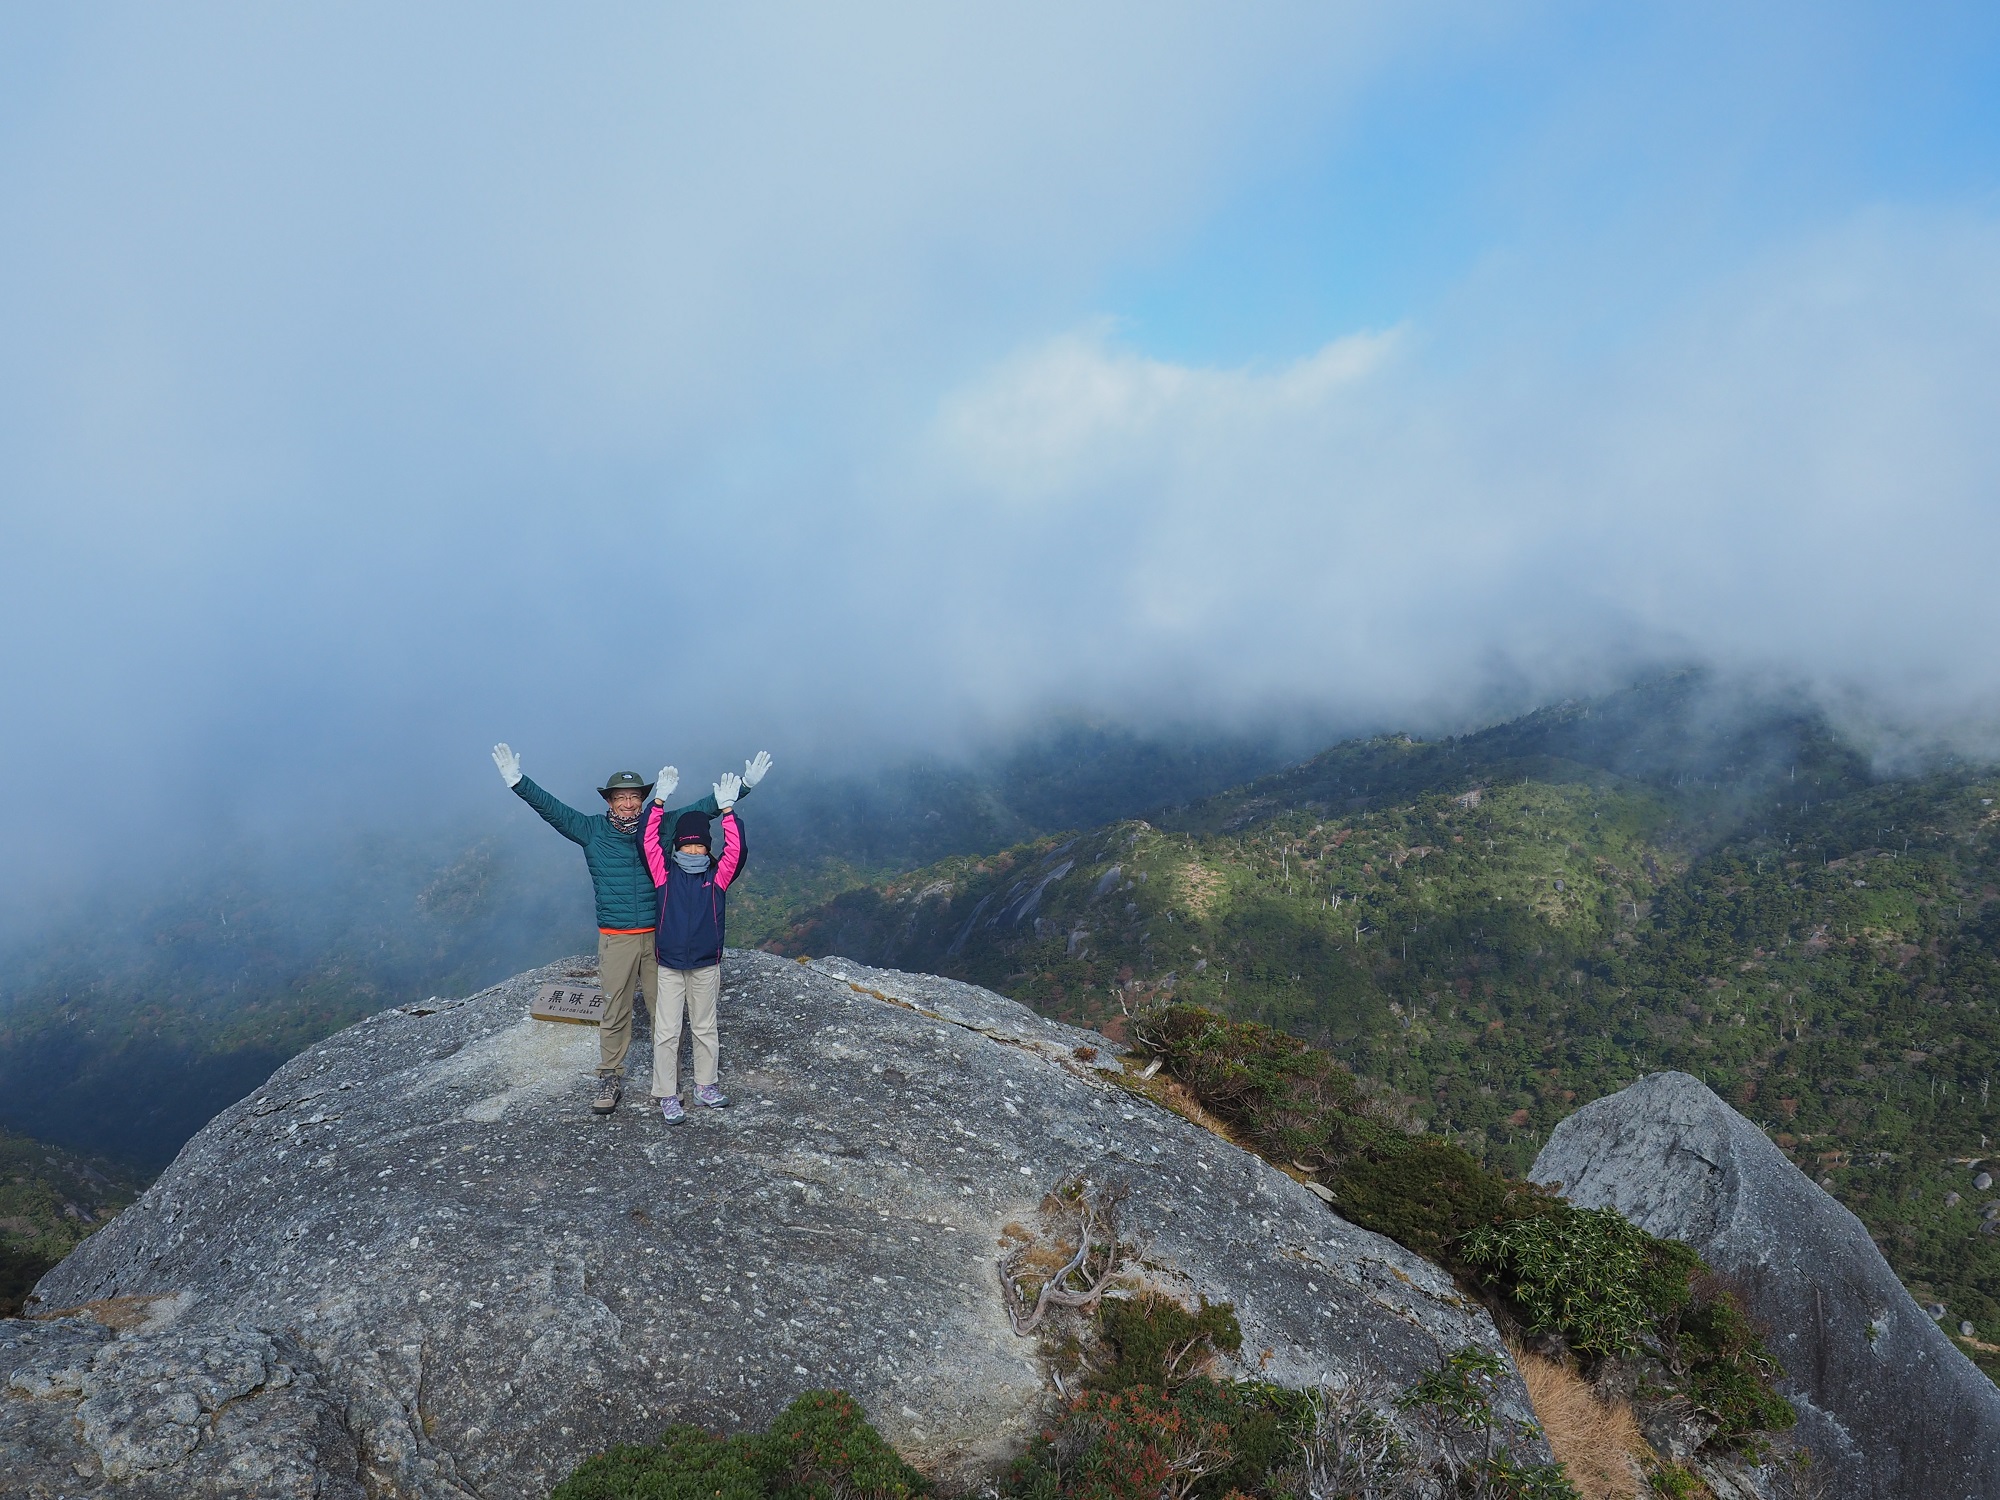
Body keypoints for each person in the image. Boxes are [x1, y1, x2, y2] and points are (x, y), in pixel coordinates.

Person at [491, 743, 772, 1115]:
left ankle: (668, 1083)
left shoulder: (662, 826)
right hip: (617, 936)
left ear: (644, 799)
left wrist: (746, 787)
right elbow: (552, 810)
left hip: (660, 937)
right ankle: (610, 1076)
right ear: (609, 801)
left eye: (635, 797)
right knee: (615, 1009)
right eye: (620, 797)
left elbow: (704, 809)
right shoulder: (590, 830)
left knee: (664, 1012)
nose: (628, 804)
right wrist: (517, 781)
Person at [640, 768, 750, 1123]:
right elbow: (647, 840)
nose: (692, 849)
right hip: (670, 965)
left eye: (699, 844)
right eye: (686, 844)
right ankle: (667, 1094)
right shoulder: (663, 874)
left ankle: (705, 1086)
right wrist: (657, 801)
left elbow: (738, 848)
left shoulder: (717, 876)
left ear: (707, 846)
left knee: (704, 1027)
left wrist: (729, 812)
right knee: (667, 1031)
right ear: (677, 847)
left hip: (705, 963)